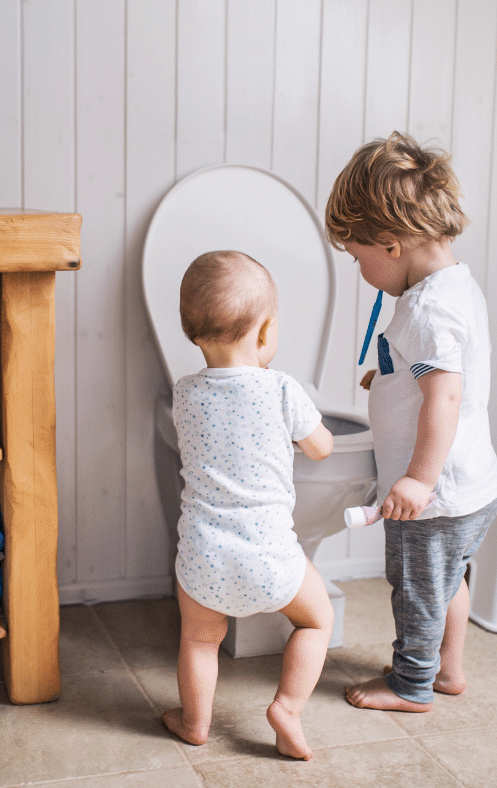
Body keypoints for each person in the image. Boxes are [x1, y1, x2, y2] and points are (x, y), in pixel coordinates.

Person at [324, 131, 497, 712]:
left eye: (358, 257)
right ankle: (447, 669)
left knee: (418, 591)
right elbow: (445, 374)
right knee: (446, 581)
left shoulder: (427, 309)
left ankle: (412, 685)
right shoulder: (451, 287)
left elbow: (444, 398)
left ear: (392, 246)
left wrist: (417, 480)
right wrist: (391, 376)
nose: (360, 269)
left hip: (436, 493)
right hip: (472, 484)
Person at [162, 250, 335, 760]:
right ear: (264, 335)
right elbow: (322, 446)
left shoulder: (185, 393)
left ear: (193, 334)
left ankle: (195, 723)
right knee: (316, 620)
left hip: (203, 558)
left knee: (198, 641)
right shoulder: (282, 388)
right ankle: (286, 708)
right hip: (270, 555)